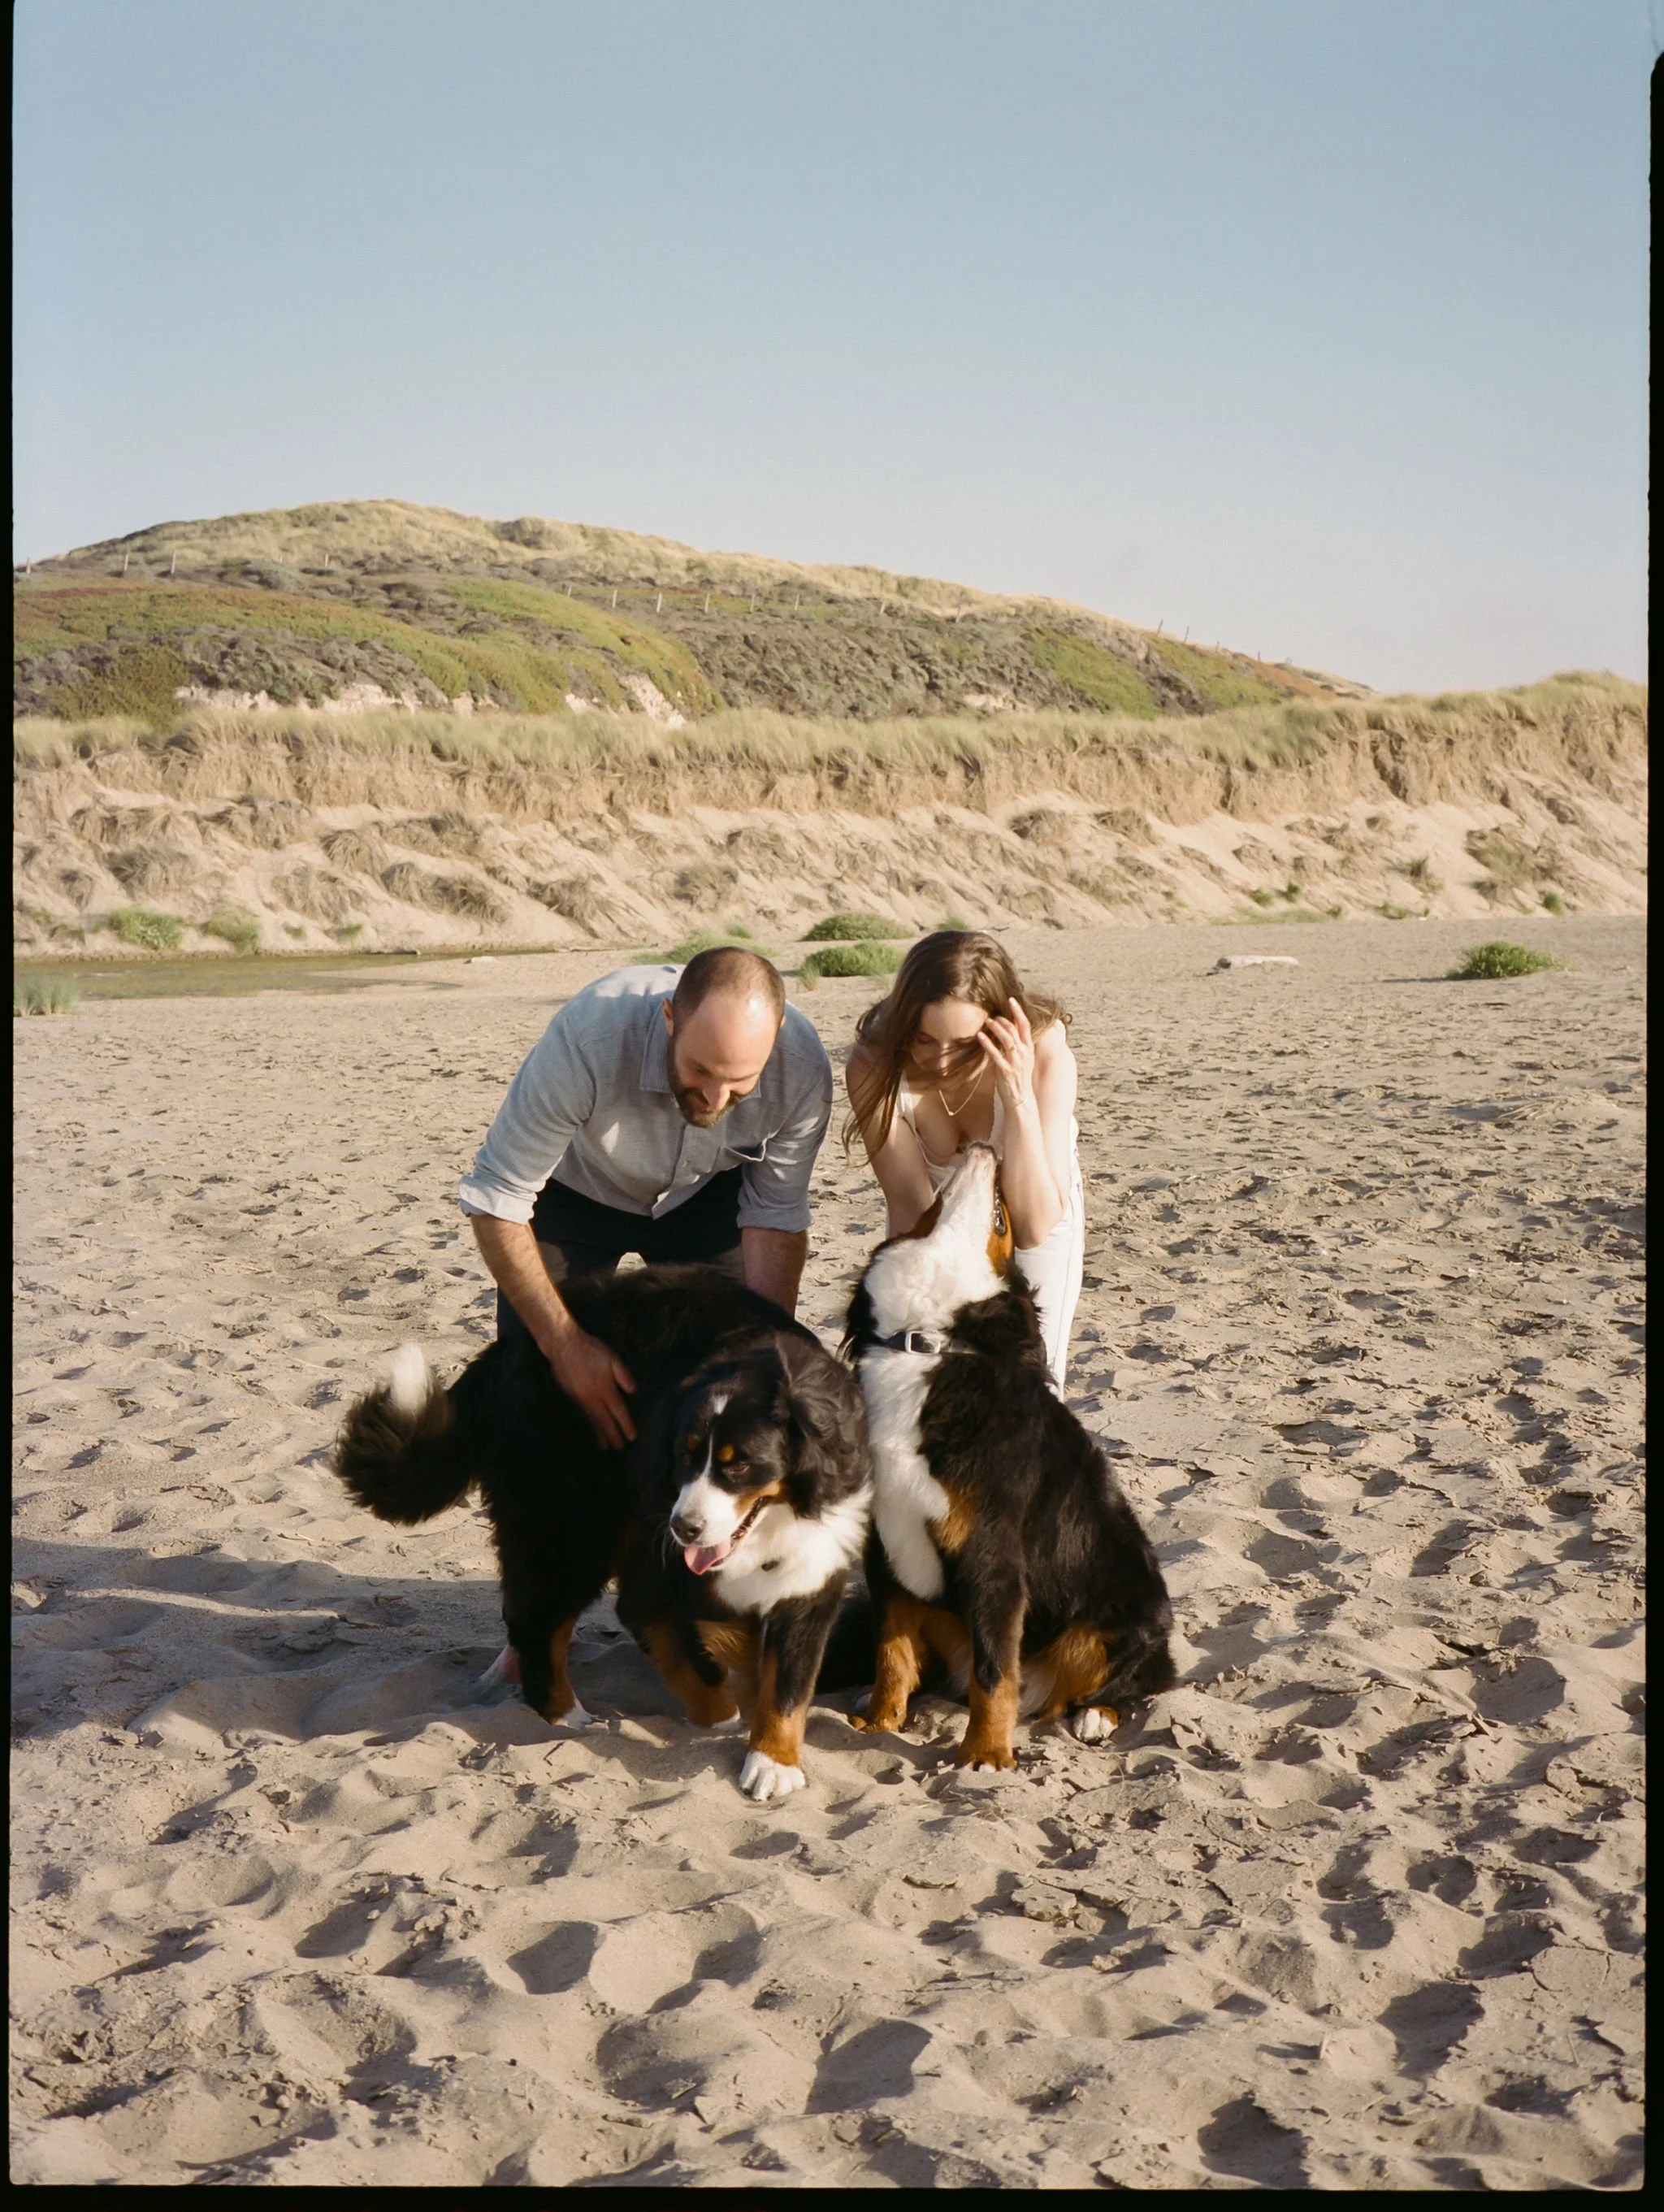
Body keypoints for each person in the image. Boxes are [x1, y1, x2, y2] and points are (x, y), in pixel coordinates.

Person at [461, 946, 833, 1450]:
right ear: (669, 1018)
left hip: (707, 1195)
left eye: (741, 1082)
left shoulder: (803, 1066)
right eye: (700, 1070)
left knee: (737, 1369)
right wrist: (567, 1347)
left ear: (777, 1035)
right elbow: (498, 1196)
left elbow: (774, 1212)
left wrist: (768, 1354)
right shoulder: (590, 1038)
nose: (717, 1099)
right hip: (573, 1195)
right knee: (540, 1388)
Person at [844, 930, 1084, 1393]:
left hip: (1038, 1195)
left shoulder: (1046, 1053)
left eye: (966, 1044)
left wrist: (1017, 1098)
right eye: (923, 1038)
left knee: (1031, 1387)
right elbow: (910, 1206)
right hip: (937, 1217)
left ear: (999, 1025)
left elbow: (1034, 1227)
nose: (941, 1063)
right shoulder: (874, 1063)